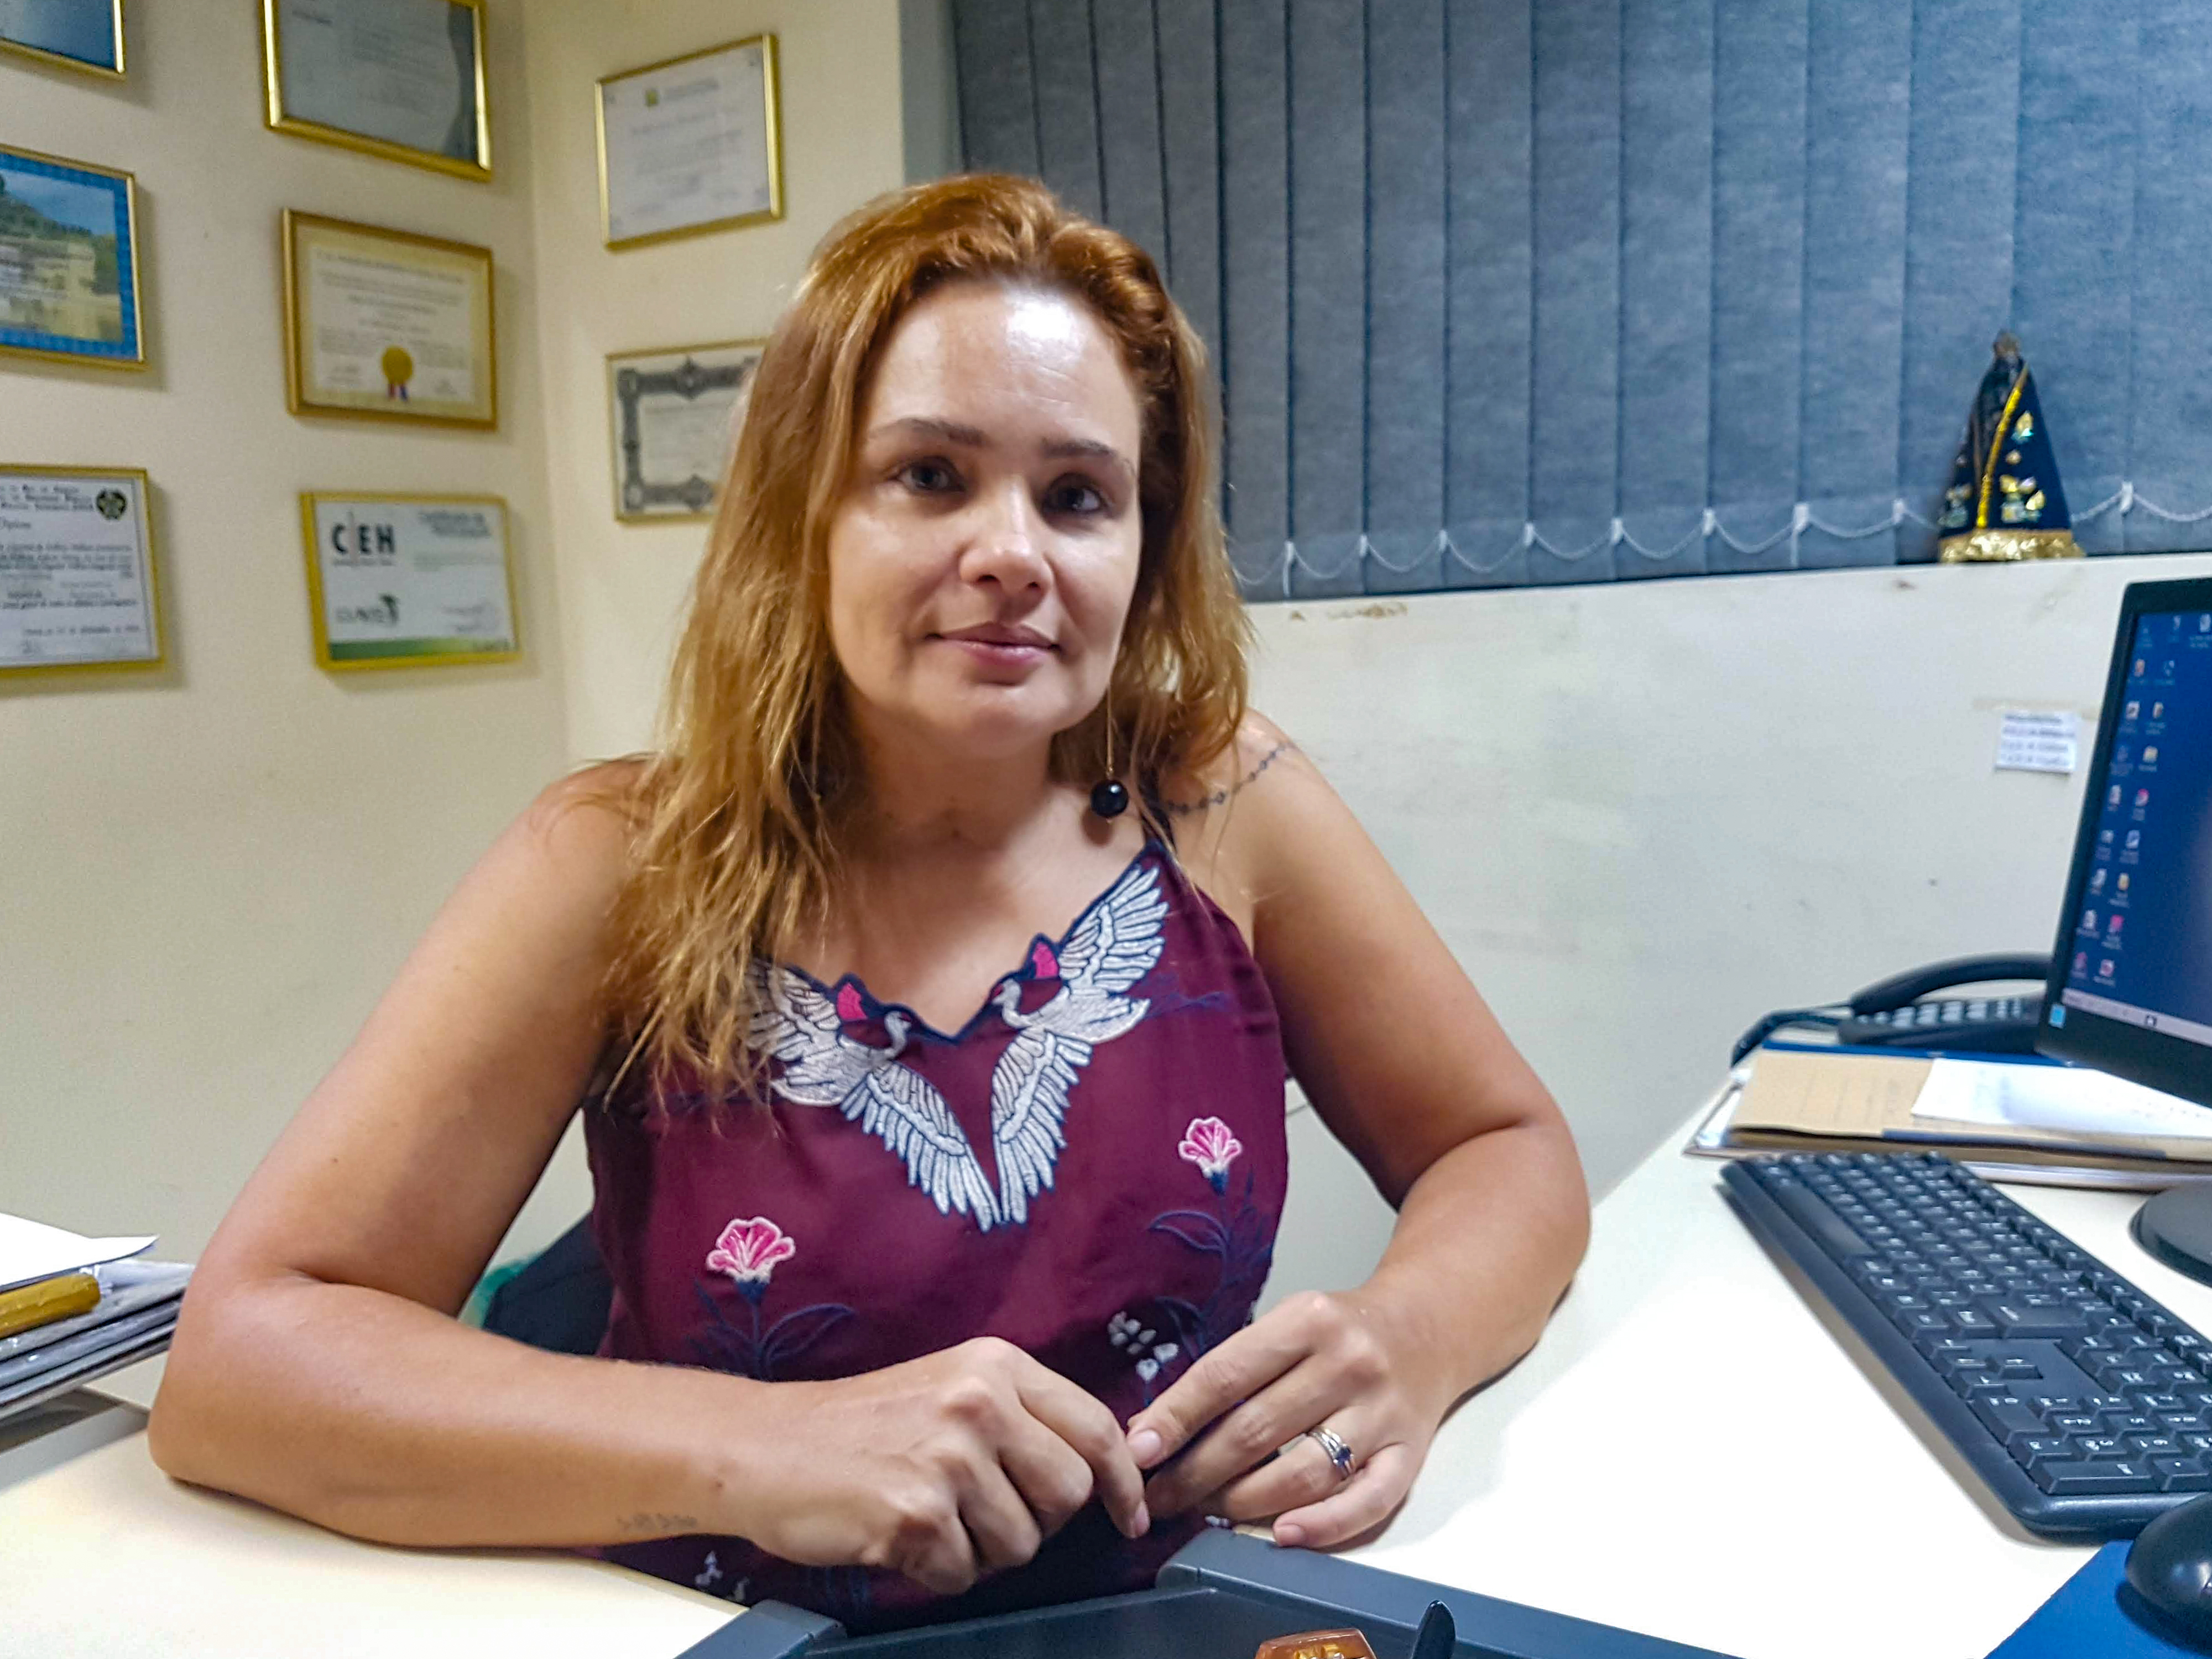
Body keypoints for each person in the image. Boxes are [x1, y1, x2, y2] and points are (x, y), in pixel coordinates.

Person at [148, 175, 1589, 1631]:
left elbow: (1503, 1145)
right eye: (931, 475)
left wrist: (1411, 1335)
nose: (1015, 553)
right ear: (807, 514)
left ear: (1143, 547)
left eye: (1078, 497)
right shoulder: (620, 860)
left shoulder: (1228, 803)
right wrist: (759, 1446)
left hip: (1185, 1616)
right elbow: (243, 1363)